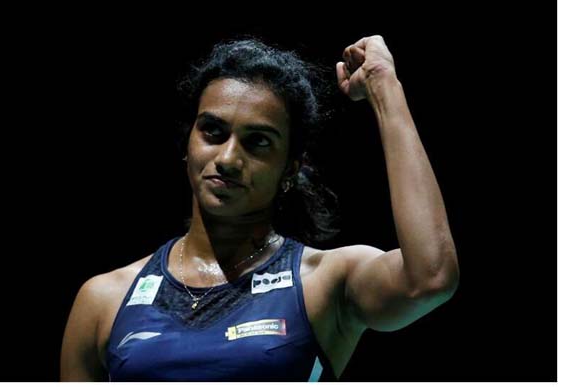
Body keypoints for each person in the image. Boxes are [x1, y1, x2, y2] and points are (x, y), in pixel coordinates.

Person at [60, 36, 460, 381]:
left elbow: (430, 278)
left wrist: (384, 87)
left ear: (290, 169)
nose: (228, 158)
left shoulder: (323, 283)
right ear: (188, 143)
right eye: (212, 131)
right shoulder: (105, 298)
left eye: (258, 142)